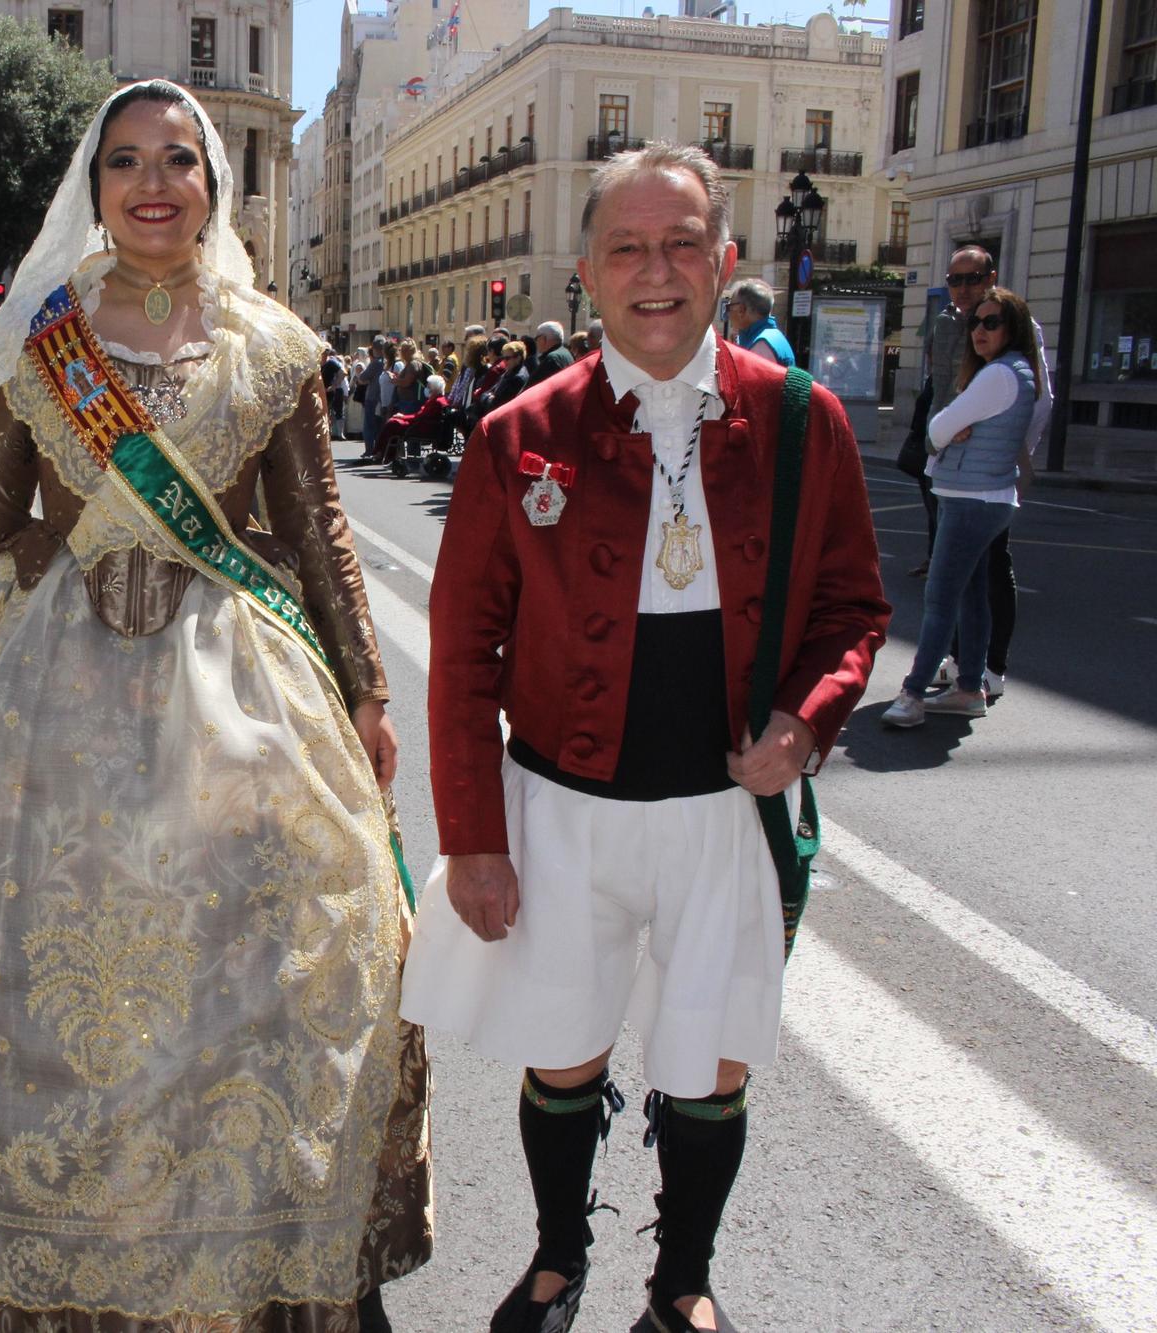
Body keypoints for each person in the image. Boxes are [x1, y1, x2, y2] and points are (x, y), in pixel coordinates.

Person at [0, 79, 431, 1332]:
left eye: (178, 159)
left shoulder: (272, 345)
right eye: (126, 161)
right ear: (96, 186)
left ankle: (238, 1245)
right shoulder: (41, 339)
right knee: (23, 968)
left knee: (240, 966)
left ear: (211, 186)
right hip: (43, 693)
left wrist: (369, 690)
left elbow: (318, 533)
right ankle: (31, 1250)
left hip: (233, 688)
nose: (152, 182)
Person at [400, 142, 887, 1333]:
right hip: (558, 810)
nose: (654, 271)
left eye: (680, 244)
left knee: (709, 1065)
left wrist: (806, 720)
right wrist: (472, 838)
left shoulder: (798, 420)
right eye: (626, 246)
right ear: (586, 271)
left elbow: (850, 607)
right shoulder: (515, 434)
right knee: (560, 1055)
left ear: (724, 260)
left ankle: (682, 1280)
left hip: (725, 810)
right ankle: (558, 1258)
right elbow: (463, 660)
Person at [881, 284, 1042, 727]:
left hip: (971, 498)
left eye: (992, 322)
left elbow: (938, 428)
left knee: (940, 598)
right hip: (984, 496)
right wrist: (953, 429)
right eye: (976, 322)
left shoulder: (997, 375)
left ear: (1013, 328)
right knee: (972, 595)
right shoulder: (1017, 371)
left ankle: (912, 696)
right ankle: (970, 687)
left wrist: (949, 429)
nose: (980, 331)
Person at [909, 247, 1049, 694]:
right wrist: (937, 443)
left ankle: (989, 668)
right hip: (946, 464)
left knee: (986, 570)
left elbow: (1042, 399)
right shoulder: (950, 324)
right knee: (956, 573)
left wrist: (1008, 449)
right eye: (955, 280)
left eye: (972, 278)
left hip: (985, 472)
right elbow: (938, 392)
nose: (964, 288)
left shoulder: (1019, 333)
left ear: (991, 278)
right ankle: (960, 661)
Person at [726, 278, 795, 368]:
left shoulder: (761, 346)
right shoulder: (771, 336)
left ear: (741, 310)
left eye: (729, 307)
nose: (728, 313)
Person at [486, 339, 530, 411]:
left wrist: (488, 398)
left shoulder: (517, 378)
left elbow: (497, 403)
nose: (504, 361)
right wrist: (488, 397)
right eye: (503, 358)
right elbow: (489, 391)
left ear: (518, 358)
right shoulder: (508, 372)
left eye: (507, 358)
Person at [531, 320, 575, 385]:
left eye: (536, 338)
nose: (536, 342)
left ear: (543, 339)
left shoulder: (552, 359)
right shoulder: (567, 354)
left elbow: (534, 386)